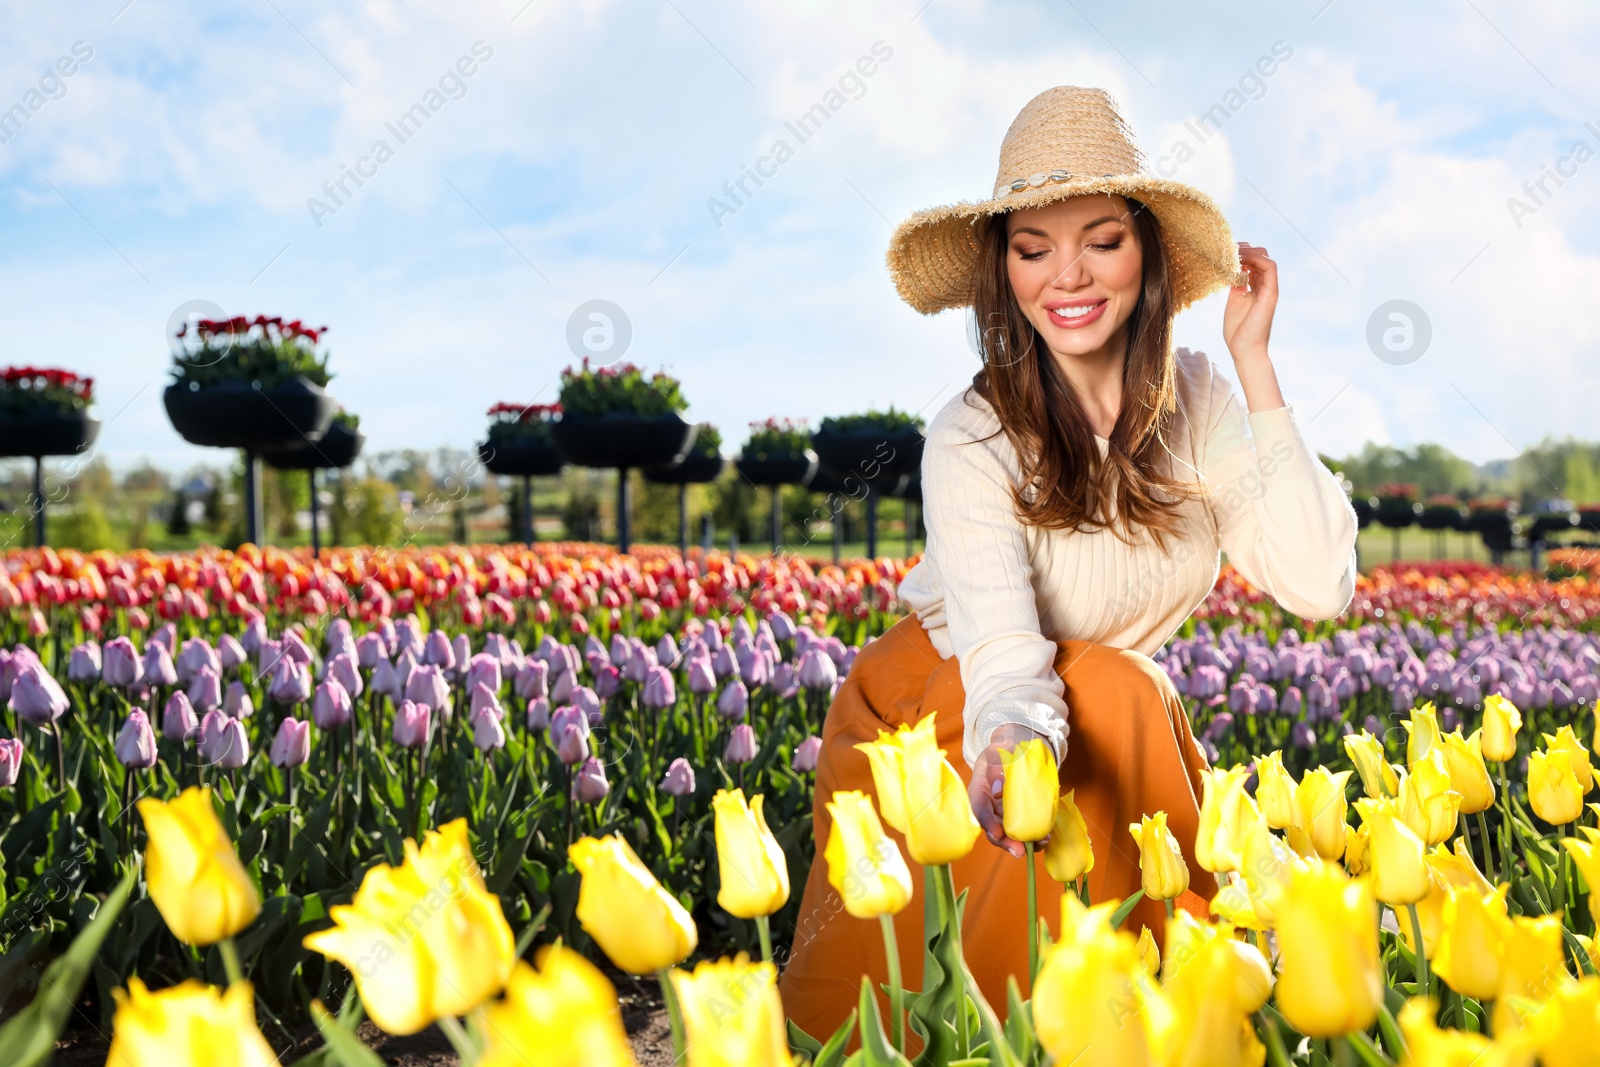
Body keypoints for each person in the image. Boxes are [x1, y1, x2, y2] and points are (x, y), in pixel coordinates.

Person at [778, 86, 1357, 1041]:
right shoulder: (972, 434)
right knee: (1124, 693)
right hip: (947, 706)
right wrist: (1015, 748)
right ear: (1004, 272)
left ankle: (1166, 1020)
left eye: (1101, 239)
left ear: (1150, 254)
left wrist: (1255, 364)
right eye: (1033, 248)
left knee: (1123, 692)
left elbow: (1317, 584)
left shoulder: (1200, 403)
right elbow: (1006, 650)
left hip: (1098, 704)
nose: (1067, 276)